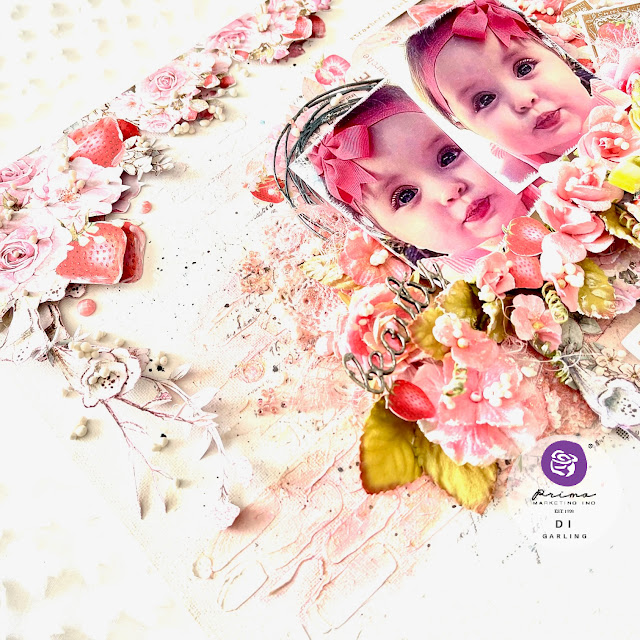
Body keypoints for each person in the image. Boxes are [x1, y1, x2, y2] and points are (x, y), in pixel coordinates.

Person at [308, 85, 533, 257]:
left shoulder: (548, 174)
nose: (448, 190)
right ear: (387, 234)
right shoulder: (451, 289)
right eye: (406, 196)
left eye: (448, 156)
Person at [405, 0, 615, 168]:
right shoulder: (520, 187)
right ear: (463, 126)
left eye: (524, 68)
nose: (523, 99)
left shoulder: (623, 91)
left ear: (559, 55)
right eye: (485, 99)